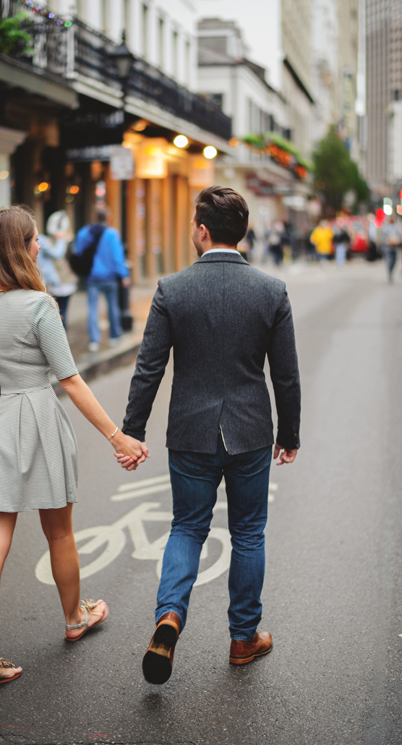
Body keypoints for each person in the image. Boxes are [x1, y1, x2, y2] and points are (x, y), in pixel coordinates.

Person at [0, 205, 147, 697]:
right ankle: (75, 617)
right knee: (59, 532)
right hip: (36, 420)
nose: (39, 246)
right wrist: (117, 437)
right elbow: (71, 381)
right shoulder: (39, 306)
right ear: (20, 248)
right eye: (34, 240)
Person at [120, 186, 300, 685]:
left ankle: (169, 617)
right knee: (247, 532)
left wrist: (132, 431)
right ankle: (244, 639)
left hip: (191, 433)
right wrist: (290, 434)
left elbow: (148, 369)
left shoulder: (171, 289)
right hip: (250, 432)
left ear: (202, 231)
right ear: (240, 233)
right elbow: (285, 375)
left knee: (187, 528)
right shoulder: (271, 291)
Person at [74, 208, 130, 352]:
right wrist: (123, 275)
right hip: (110, 277)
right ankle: (114, 336)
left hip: (92, 276)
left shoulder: (84, 233)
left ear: (94, 217)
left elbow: (79, 252)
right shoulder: (112, 234)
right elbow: (118, 257)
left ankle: (94, 340)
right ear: (108, 218)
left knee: (92, 308)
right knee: (113, 306)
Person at [379, 213, 402, 282]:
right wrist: (386, 241)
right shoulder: (385, 227)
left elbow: (400, 237)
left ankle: (391, 271)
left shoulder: (397, 227)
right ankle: (390, 273)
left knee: (394, 261)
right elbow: (382, 237)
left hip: (395, 247)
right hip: (387, 247)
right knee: (389, 261)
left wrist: (398, 241)